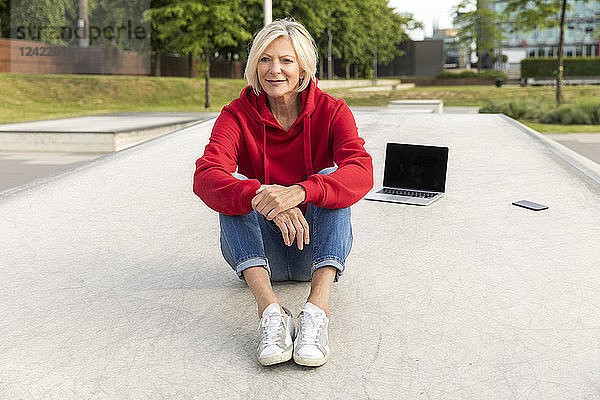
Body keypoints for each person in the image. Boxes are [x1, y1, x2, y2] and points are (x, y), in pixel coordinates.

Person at [193, 18, 373, 367]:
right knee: (233, 189)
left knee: (330, 179)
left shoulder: (332, 111)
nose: (274, 70)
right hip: (258, 256)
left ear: (303, 66)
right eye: (265, 59)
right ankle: (271, 312)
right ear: (254, 65)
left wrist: (301, 192)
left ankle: (316, 311)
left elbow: (361, 170)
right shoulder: (236, 114)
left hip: (316, 248)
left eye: (286, 60)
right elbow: (205, 175)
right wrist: (260, 194)